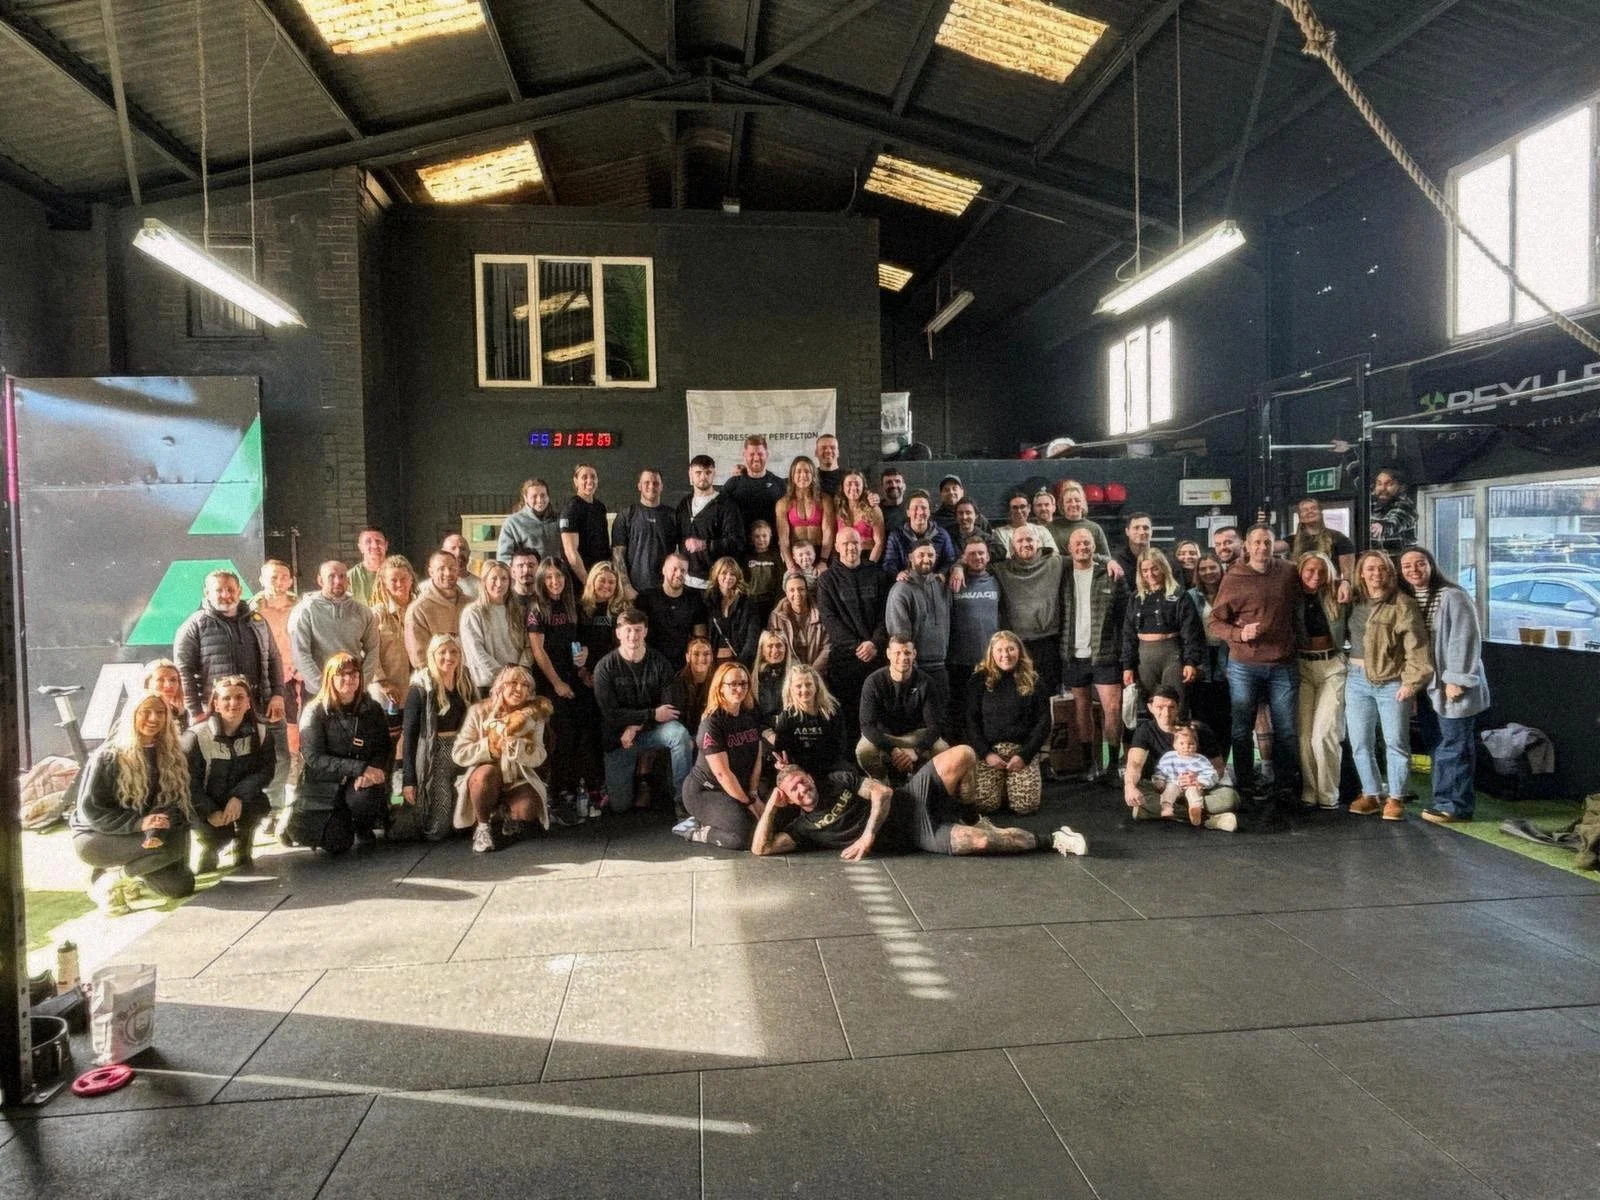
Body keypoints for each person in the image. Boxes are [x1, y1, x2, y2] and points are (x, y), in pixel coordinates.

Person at [752, 747, 1086, 860]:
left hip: (913, 795)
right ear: (790, 799)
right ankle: (1053, 839)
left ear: (810, 776)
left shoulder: (837, 780)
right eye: (794, 790)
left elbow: (883, 793)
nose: (802, 789)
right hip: (919, 834)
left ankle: (972, 815)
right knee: (983, 842)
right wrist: (770, 806)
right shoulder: (804, 827)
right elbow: (760, 849)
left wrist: (867, 837)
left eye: (802, 781)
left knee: (965, 754)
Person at [72, 694, 197, 913]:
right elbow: (91, 811)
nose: (153, 718)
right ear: (132, 715)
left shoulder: (171, 754)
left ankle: (130, 874)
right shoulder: (108, 756)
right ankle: (107, 881)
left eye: (160, 712)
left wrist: (157, 827)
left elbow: (173, 803)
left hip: (142, 834)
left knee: (182, 886)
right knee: (171, 848)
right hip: (96, 836)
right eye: (145, 712)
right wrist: (139, 824)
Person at [1207, 525, 1304, 806]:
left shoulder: (1288, 571)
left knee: (1286, 729)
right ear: (1247, 546)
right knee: (1241, 728)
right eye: (1257, 543)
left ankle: (1285, 785)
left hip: (1283, 663)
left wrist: (1343, 583)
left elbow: (1314, 586)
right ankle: (1246, 785)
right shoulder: (1234, 577)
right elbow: (1215, 622)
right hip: (1244, 664)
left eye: (1267, 542)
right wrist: (1239, 634)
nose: (1262, 547)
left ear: (1274, 545)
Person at [1399, 546, 1490, 824]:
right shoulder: (1409, 598)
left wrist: (1456, 679)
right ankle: (1444, 800)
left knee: (1455, 744)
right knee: (1439, 744)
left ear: (1431, 565)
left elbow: (1465, 640)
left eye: (1420, 563)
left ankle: (1455, 806)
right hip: (1428, 688)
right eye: (1407, 566)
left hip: (1452, 687)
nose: (1414, 570)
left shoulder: (1453, 596)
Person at [1345, 550, 1433, 820]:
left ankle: (1396, 797)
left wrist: (1411, 683)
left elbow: (1417, 646)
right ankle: (1370, 793)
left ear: (1389, 573)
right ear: (1361, 573)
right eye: (1370, 569)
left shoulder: (1402, 603)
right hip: (1356, 680)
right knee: (1360, 742)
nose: (1375, 574)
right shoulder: (1354, 601)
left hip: (1391, 682)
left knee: (1395, 742)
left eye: (1381, 569)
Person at [592, 608, 696, 812]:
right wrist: (649, 715)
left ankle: (683, 800)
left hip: (651, 731)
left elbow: (669, 709)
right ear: (619, 633)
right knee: (620, 805)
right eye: (628, 630)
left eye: (638, 630)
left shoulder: (659, 663)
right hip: (619, 737)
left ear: (646, 632)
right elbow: (611, 714)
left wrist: (637, 725)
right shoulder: (604, 668)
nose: (633, 636)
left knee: (679, 734)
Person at [290, 653, 393, 853]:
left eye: (354, 674)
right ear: (330, 678)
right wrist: (359, 768)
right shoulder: (314, 712)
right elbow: (313, 757)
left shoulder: (372, 708)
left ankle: (363, 826)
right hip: (325, 784)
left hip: (359, 782)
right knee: (337, 844)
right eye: (342, 675)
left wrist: (373, 772)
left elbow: (384, 746)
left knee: (364, 799)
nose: (349, 679)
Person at [527, 558, 602, 808]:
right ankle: (558, 789)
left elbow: (580, 641)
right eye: (548, 577)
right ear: (541, 580)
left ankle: (581, 785)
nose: (554, 581)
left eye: (558, 576)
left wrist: (584, 659)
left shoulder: (573, 605)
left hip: (574, 678)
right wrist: (557, 683)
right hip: (551, 681)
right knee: (563, 734)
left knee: (584, 730)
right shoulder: (537, 608)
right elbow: (538, 651)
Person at [453, 666, 552, 851]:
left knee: (528, 808)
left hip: (516, 778)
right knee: (485, 775)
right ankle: (482, 827)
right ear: (500, 686)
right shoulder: (478, 711)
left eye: (525, 685)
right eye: (513, 683)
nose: (519, 689)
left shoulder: (533, 716)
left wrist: (519, 748)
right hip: (485, 776)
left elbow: (540, 754)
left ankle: (505, 815)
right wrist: (489, 748)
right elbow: (459, 752)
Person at [183, 675, 275, 874]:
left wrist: (239, 796)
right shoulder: (195, 737)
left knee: (257, 805)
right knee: (218, 835)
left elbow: (265, 772)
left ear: (249, 703)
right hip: (204, 802)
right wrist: (209, 811)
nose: (233, 703)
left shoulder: (261, 733)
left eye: (240, 697)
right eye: (226, 698)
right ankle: (210, 847)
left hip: (239, 799)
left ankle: (243, 845)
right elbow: (188, 785)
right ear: (216, 704)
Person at [174, 568, 285, 727]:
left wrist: (278, 695)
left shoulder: (258, 621)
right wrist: (195, 711)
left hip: (262, 710)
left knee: (271, 752)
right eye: (219, 590)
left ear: (239, 591)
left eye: (231, 590)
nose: (226, 595)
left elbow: (274, 658)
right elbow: (184, 670)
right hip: (216, 714)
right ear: (207, 593)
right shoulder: (195, 625)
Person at [674, 661, 767, 847]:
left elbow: (757, 756)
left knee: (770, 821)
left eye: (743, 683)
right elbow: (722, 774)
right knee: (745, 837)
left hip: (737, 788)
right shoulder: (712, 723)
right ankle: (696, 829)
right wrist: (749, 803)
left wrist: (754, 792)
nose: (739, 688)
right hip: (707, 791)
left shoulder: (749, 715)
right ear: (720, 688)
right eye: (732, 684)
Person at [1121, 687, 1240, 831]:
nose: (1165, 713)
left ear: (1178, 708)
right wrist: (1129, 787)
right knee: (1139, 796)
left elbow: (1219, 767)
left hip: (1199, 788)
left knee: (1230, 799)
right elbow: (1134, 763)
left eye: (1171, 707)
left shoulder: (1198, 729)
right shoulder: (1145, 731)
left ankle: (1155, 813)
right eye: (1160, 707)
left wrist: (1199, 781)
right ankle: (1210, 820)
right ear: (1150, 708)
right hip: (1164, 787)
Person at [1060, 526, 1126, 783]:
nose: (1082, 547)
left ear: (1094, 546)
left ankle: (1113, 765)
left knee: (1113, 707)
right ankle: (1090, 763)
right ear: (1069, 549)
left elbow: (1125, 615)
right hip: (1073, 653)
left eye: (1087, 543)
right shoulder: (1063, 574)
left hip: (1106, 653)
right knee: (1081, 708)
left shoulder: (1110, 574)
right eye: (1077, 544)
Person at [400, 633, 477, 842]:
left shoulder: (466, 682)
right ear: (432, 655)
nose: (448, 657)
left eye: (453, 652)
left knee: (464, 824)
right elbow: (409, 737)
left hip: (462, 749)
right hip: (436, 755)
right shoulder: (420, 688)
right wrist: (409, 781)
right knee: (439, 829)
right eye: (442, 652)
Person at [816, 526, 887, 747]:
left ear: (863, 545)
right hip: (845, 659)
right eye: (845, 543)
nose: (850, 548)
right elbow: (829, 619)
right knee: (848, 715)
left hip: (877, 657)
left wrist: (875, 643)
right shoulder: (826, 580)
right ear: (836, 547)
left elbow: (887, 614)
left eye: (855, 543)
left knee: (880, 713)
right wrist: (858, 646)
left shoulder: (878, 574)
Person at [966, 631, 1050, 816]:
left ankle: (1010, 785)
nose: (1005, 655)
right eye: (1000, 650)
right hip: (990, 752)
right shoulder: (978, 680)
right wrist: (986, 754)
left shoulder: (1034, 680)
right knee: (984, 805)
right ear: (992, 653)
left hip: (1021, 751)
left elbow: (1044, 722)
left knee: (1025, 806)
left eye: (1011, 649)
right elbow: (971, 722)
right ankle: (1003, 786)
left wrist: (1025, 756)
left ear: (1019, 651)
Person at [1295, 552, 1349, 811]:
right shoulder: (1291, 596)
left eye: (1321, 571)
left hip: (1332, 666)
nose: (1315, 576)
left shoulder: (1338, 593)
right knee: (1304, 737)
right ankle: (1309, 792)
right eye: (1309, 571)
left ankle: (1328, 794)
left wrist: (1346, 581)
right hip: (1302, 666)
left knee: (1324, 734)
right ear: (1300, 571)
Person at [857, 636, 947, 780]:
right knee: (864, 751)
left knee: (942, 748)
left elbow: (935, 725)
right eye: (897, 653)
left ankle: (929, 784)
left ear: (914, 654)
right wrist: (892, 750)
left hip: (915, 735)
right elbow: (867, 725)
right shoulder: (873, 682)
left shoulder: (926, 682)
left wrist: (916, 751)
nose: (903, 657)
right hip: (885, 736)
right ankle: (883, 783)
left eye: (907, 653)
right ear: (888, 654)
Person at [1120, 550, 1203, 703]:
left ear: (1163, 568)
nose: (1150, 574)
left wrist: (1190, 662)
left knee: (1177, 704)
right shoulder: (1135, 597)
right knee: (1150, 705)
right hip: (1143, 657)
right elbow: (1128, 634)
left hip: (1172, 654)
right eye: (1145, 570)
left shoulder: (1179, 595)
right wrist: (1127, 666)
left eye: (1154, 568)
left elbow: (1191, 631)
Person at [992, 526, 1064, 700]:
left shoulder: (1056, 563)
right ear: (1012, 546)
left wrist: (1109, 561)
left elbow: (1083, 559)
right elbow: (974, 563)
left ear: (1038, 542)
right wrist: (958, 567)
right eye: (1020, 541)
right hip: (1017, 646)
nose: (1025, 544)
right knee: (1020, 698)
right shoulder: (1000, 569)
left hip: (1049, 643)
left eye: (1030, 539)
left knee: (1048, 698)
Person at [252, 558, 301, 811]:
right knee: (270, 744)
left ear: (291, 580)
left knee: (296, 737)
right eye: (273, 577)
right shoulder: (252, 610)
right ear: (262, 580)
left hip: (297, 680)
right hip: (266, 684)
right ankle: (270, 804)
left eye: (283, 576)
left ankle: (293, 798)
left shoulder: (301, 606)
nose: (279, 581)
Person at [289, 561, 380, 697]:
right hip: (318, 694)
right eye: (331, 576)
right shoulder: (304, 611)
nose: (338, 581)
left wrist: (359, 684)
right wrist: (324, 687)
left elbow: (373, 650)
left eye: (342, 576)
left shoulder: (363, 612)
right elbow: (300, 653)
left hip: (354, 693)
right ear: (320, 580)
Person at [885, 540, 952, 714]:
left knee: (942, 720)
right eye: (921, 555)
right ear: (910, 558)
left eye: (930, 555)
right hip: (915, 670)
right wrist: (908, 669)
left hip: (940, 667)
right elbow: (899, 636)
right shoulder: (901, 590)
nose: (926, 559)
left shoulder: (942, 585)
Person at [947, 535, 1001, 743]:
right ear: (963, 557)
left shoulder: (997, 580)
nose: (977, 557)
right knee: (961, 714)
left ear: (988, 557)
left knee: (987, 712)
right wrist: (956, 568)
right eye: (972, 553)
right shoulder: (954, 580)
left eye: (981, 553)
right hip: (958, 661)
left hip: (990, 662)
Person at [676, 453, 745, 592]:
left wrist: (705, 544)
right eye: (698, 472)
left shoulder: (726, 505)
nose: (703, 477)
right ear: (690, 474)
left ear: (714, 474)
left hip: (715, 584)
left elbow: (737, 542)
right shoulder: (684, 504)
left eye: (708, 472)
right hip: (686, 582)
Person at [460, 560, 529, 691]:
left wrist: (520, 672)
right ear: (484, 581)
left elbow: (528, 646)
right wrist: (504, 677)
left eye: (504, 579)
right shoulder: (473, 612)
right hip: (488, 686)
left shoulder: (518, 610)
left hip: (518, 683)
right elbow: (476, 651)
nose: (499, 584)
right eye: (494, 578)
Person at [611, 468, 680, 598]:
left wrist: (674, 586)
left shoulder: (673, 516)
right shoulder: (626, 515)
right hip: (634, 591)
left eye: (656, 483)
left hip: (665, 591)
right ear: (639, 486)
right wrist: (627, 588)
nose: (651, 486)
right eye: (646, 482)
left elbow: (679, 555)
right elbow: (618, 556)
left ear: (661, 487)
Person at [770, 662, 846, 779]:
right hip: (800, 773)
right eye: (798, 686)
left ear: (816, 686)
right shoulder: (786, 717)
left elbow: (839, 748)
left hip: (831, 769)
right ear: (790, 689)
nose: (804, 690)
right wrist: (781, 765)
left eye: (808, 684)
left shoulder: (832, 711)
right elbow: (782, 752)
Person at [1186, 553, 1231, 742]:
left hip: (1228, 656)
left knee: (1226, 715)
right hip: (1201, 658)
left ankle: (1223, 765)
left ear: (1221, 568)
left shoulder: (1231, 591)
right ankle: (1204, 762)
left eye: (1212, 567)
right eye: (1203, 569)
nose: (1208, 572)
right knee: (1201, 715)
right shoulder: (1191, 596)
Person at [638, 552, 710, 668]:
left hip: (682, 664)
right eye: (674, 569)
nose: (678, 574)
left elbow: (700, 636)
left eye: (683, 570)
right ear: (664, 570)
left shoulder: (694, 599)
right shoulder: (646, 598)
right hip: (650, 663)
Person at [405, 550, 472, 670]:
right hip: (438, 681)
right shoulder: (418, 609)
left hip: (471, 679)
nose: (448, 573)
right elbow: (419, 659)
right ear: (431, 572)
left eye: (452, 568)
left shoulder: (470, 604)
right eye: (441, 568)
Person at [369, 555, 416, 724]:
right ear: (384, 583)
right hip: (387, 695)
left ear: (411, 578)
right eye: (393, 580)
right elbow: (367, 651)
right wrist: (382, 682)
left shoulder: (421, 610)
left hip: (417, 692)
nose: (399, 584)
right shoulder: (377, 614)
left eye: (403, 578)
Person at [776, 454, 835, 570]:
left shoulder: (824, 500)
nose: (803, 475)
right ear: (792, 476)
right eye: (798, 471)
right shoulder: (783, 503)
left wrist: (823, 561)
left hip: (820, 552)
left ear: (813, 475)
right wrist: (790, 563)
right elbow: (783, 538)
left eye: (807, 471)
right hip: (796, 555)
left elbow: (828, 532)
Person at [1153, 723, 1220, 825]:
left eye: (1191, 744)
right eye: (1182, 744)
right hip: (1174, 783)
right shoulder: (1169, 757)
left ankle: (1195, 811)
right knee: (1169, 790)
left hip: (1192, 784)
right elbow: (1161, 770)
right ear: (1175, 745)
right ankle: (1166, 807)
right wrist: (1159, 781)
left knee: (1194, 793)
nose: (1186, 747)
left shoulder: (1200, 759)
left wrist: (1200, 782)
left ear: (1196, 745)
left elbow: (1211, 774)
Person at [1290, 498, 1355, 602]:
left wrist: (1346, 583)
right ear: (1300, 517)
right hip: (1300, 594)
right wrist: (1262, 523)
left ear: (1321, 512)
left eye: (1313, 508)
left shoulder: (1339, 538)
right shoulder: (1291, 540)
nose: (1309, 511)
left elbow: (1348, 572)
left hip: (1329, 594)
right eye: (1305, 510)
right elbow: (1269, 546)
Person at [720, 434, 787, 535]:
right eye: (751, 454)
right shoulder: (732, 484)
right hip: (741, 547)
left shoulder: (779, 484)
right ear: (744, 455)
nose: (756, 458)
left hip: (772, 547)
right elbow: (720, 516)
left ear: (767, 454)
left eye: (760, 454)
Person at [882, 492, 957, 576]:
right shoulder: (896, 535)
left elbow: (949, 560)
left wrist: (941, 574)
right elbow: (889, 563)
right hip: (907, 583)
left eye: (924, 508)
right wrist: (898, 574)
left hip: (933, 583)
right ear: (908, 512)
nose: (920, 512)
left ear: (929, 512)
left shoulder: (942, 534)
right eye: (915, 508)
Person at [768, 570, 831, 670]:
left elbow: (827, 647)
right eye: (792, 590)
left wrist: (812, 671)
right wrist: (798, 672)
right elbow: (777, 648)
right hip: (790, 672)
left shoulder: (821, 612)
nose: (797, 594)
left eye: (801, 589)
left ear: (806, 590)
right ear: (786, 593)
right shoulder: (777, 617)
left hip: (819, 671)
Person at [703, 557, 761, 665]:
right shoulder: (707, 601)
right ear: (716, 575)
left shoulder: (748, 602)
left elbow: (752, 639)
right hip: (711, 662)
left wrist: (740, 664)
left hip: (740, 660)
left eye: (732, 574)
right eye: (724, 573)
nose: (728, 577)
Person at [560, 462, 610, 582]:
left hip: (599, 576)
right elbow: (571, 552)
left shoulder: (600, 507)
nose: (589, 481)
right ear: (576, 481)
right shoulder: (571, 509)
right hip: (580, 579)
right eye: (584, 477)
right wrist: (587, 582)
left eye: (593, 477)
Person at [577, 561, 628, 675]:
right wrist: (582, 670)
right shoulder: (579, 608)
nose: (606, 586)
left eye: (611, 582)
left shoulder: (622, 610)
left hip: (613, 671)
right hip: (584, 672)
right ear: (592, 581)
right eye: (602, 580)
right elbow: (575, 639)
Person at [498, 478, 562, 563]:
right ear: (526, 498)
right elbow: (504, 558)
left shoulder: (560, 519)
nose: (539, 500)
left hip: (556, 573)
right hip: (528, 575)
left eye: (543, 495)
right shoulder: (513, 523)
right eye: (534, 496)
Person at [1051, 481, 1111, 559]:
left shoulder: (1095, 528)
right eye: (1068, 501)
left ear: (1083, 503)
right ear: (1062, 505)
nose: (1073, 504)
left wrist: (1087, 557)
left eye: (1077, 500)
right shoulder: (1051, 528)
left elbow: (1107, 559)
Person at [835, 470, 885, 563]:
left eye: (857, 484)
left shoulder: (873, 509)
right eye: (849, 484)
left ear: (863, 487)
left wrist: (869, 566)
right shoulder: (838, 510)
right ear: (842, 487)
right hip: (844, 560)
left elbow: (879, 543)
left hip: (868, 558)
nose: (853, 488)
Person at [668, 637, 716, 725]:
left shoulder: (717, 681)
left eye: (706, 654)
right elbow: (675, 717)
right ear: (688, 657)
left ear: (712, 657)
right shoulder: (676, 684)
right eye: (696, 654)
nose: (701, 659)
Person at [1369, 468, 1417, 554]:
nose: (1383, 488)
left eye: (1389, 484)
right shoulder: (1371, 502)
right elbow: (1357, 474)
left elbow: (1395, 523)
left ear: (1402, 487)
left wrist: (1382, 527)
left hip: (1400, 563)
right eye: (1379, 484)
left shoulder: (1405, 506)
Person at [744, 520, 783, 620]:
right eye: (757, 536)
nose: (761, 539)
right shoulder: (747, 557)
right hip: (751, 601)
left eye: (764, 536)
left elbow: (780, 579)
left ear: (770, 536)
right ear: (751, 538)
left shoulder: (776, 555)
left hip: (771, 601)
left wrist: (777, 603)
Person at [996, 494, 1054, 560]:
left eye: (1022, 507)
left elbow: (1053, 554)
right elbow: (1006, 558)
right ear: (1009, 510)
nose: (1019, 511)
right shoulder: (1000, 533)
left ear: (1029, 508)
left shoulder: (1042, 530)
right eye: (1015, 507)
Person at [932, 475, 986, 541]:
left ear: (962, 492)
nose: (951, 492)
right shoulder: (935, 521)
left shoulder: (980, 520)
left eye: (954, 489)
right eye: (946, 490)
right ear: (941, 494)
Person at [754, 630, 790, 726]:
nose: (775, 651)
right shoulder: (754, 676)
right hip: (762, 727)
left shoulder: (796, 673)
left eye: (779, 645)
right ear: (762, 649)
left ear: (786, 648)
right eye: (770, 646)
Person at [954, 499, 1007, 564]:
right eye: (960, 513)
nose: (964, 517)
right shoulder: (949, 536)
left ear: (976, 516)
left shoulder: (985, 537)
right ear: (956, 516)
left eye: (968, 513)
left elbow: (1001, 551)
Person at [346, 527, 389, 605]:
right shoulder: (350, 578)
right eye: (368, 542)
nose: (375, 546)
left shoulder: (400, 573)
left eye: (378, 541)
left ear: (386, 545)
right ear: (360, 548)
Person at [1112, 511, 1154, 580]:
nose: (1141, 532)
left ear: (1152, 531)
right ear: (1127, 531)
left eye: (1146, 528)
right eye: (1136, 528)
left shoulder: (1162, 558)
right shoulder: (1117, 560)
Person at [441, 532, 481, 600]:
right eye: (453, 548)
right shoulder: (429, 586)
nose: (458, 553)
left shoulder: (480, 586)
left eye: (462, 549)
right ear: (443, 554)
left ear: (469, 553)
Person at [876, 467, 908, 535]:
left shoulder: (912, 508)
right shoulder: (876, 510)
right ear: (882, 488)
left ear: (904, 486)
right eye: (888, 482)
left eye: (897, 481)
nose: (894, 485)